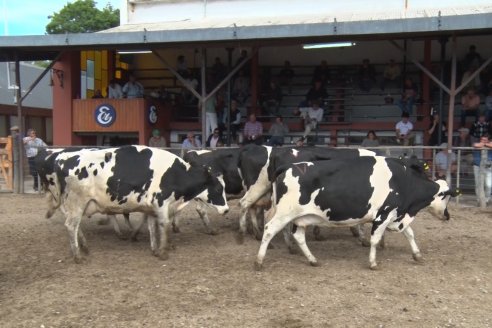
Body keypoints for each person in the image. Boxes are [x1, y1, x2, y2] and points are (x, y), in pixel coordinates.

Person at [472, 136, 492, 206]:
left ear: (488, 140)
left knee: (489, 185)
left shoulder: (489, 145)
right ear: (480, 140)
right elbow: (476, 145)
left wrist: (486, 144)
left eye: (485, 140)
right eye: (482, 140)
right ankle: (479, 200)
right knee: (478, 184)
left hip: (488, 167)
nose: (484, 141)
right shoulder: (476, 144)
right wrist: (486, 144)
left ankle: (486, 199)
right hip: (477, 166)